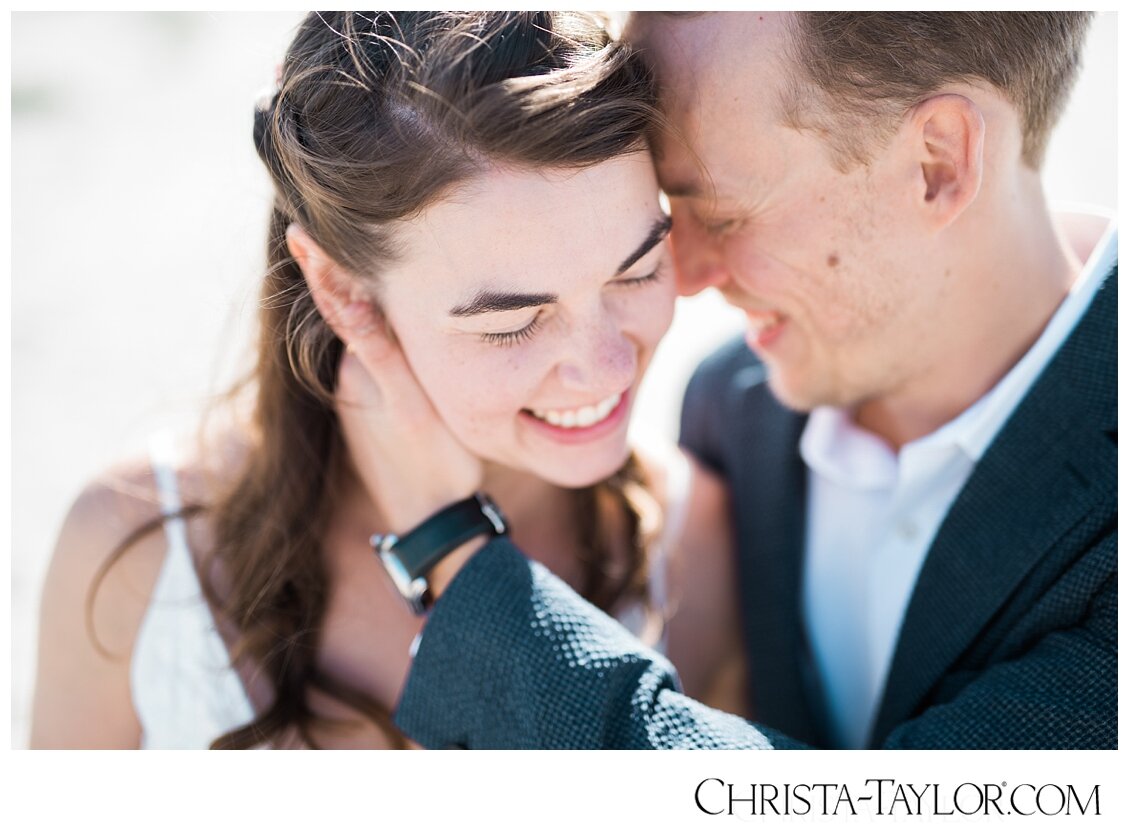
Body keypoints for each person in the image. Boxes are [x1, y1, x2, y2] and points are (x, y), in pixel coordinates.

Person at [344, 11, 1116, 748]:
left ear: (936, 164)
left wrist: (454, 553)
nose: (676, 277)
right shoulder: (730, 406)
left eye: (721, 214)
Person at [28, 11, 749, 749]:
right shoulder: (137, 549)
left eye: (638, 270)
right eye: (511, 322)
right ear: (341, 289)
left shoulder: (696, 545)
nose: (607, 366)